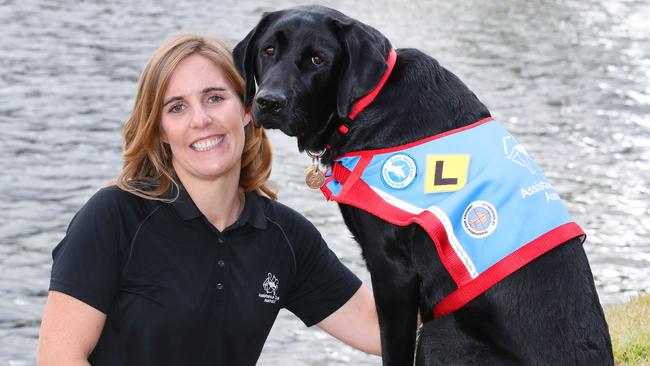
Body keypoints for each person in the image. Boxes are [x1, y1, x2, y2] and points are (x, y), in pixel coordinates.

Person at [37, 34, 381, 365]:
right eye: (177, 107)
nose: (200, 120)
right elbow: (58, 358)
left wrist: (426, 219)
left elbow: (378, 330)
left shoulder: (285, 237)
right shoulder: (114, 216)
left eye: (215, 98)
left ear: (247, 110)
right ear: (160, 131)